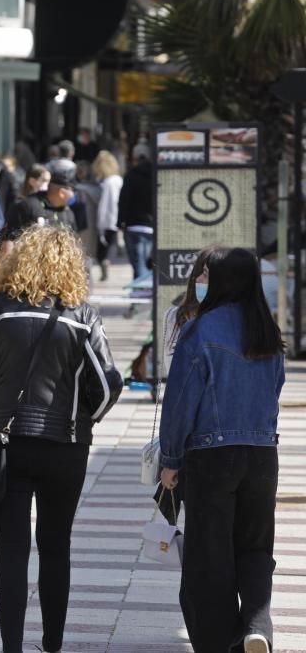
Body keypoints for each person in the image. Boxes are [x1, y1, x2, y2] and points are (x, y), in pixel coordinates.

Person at [0, 226, 122, 653]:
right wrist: (85, 421)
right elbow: (109, 384)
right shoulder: (82, 316)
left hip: (6, 444)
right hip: (66, 445)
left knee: (12, 549)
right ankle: (53, 643)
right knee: (55, 544)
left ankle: (11, 646)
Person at [159, 248, 284, 653]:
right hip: (263, 455)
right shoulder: (268, 332)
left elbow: (180, 402)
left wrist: (171, 459)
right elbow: (275, 394)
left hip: (212, 456)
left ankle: (216, 644)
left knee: (208, 559)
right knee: (254, 547)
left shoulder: (202, 330)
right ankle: (255, 625)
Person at [0, 160, 78, 253]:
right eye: (73, 191)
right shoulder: (27, 206)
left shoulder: (68, 213)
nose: (75, 195)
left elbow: (74, 243)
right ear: (62, 193)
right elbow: (9, 240)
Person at [163, 247, 217, 373]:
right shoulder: (173, 317)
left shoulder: (232, 321)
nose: (198, 279)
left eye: (205, 274)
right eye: (201, 272)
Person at [119, 142, 154, 281]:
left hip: (133, 225)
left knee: (138, 264)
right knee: (144, 263)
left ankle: (139, 298)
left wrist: (120, 221)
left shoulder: (131, 175)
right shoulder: (156, 175)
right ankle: (139, 296)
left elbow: (124, 200)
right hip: (150, 225)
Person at [92, 151, 124, 282]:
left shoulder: (107, 183)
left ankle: (104, 264)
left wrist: (100, 224)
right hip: (117, 219)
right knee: (108, 247)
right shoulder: (118, 180)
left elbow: (105, 205)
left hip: (108, 220)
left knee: (102, 250)